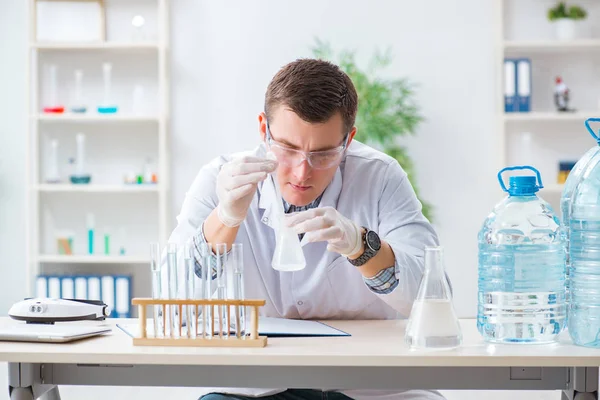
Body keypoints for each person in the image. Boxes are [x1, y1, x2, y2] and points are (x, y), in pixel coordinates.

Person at [168, 58, 445, 400]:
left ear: (348, 140)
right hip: (253, 387)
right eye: (287, 149)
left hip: (369, 385)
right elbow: (172, 307)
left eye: (324, 154)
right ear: (262, 129)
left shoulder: (381, 176)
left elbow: (432, 297)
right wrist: (225, 218)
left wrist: (362, 247)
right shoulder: (219, 178)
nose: (302, 172)